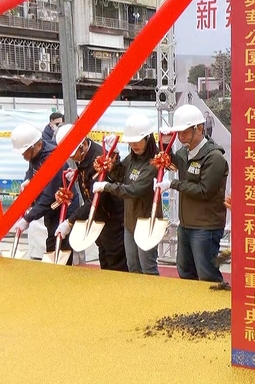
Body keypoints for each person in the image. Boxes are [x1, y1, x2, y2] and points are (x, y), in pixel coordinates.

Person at [154, 104, 229, 286]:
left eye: (185, 132)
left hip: (206, 226)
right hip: (186, 224)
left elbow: (204, 190)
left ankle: (215, 303)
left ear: (199, 129)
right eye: (178, 133)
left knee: (207, 274)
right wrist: (165, 143)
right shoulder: (183, 153)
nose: (181, 137)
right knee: (185, 271)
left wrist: (173, 184)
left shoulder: (214, 157)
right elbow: (169, 161)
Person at [94, 113, 162, 275]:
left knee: (148, 268)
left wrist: (106, 186)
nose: (133, 145)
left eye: (137, 141)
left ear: (148, 138)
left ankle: (154, 293)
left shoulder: (154, 162)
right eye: (130, 142)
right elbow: (120, 175)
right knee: (133, 267)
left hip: (147, 222)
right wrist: (115, 157)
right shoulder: (132, 158)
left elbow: (135, 189)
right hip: (130, 222)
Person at [54, 124, 127, 271]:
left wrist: (70, 221)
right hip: (98, 218)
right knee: (104, 258)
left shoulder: (99, 159)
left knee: (115, 263)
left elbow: (95, 199)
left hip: (112, 217)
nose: (72, 158)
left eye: (73, 154)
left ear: (83, 145)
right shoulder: (83, 157)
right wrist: (77, 174)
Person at [9, 123, 80, 264]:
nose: (23, 156)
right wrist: (28, 180)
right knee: (51, 242)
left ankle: (64, 274)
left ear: (37, 145)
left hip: (63, 207)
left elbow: (48, 196)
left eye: (25, 152)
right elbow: (31, 170)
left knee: (60, 245)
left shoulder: (52, 159)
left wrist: (27, 219)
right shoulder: (35, 155)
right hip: (51, 208)